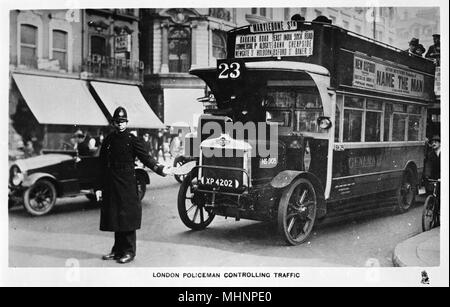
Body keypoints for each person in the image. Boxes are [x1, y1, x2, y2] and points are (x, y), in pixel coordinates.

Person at [97, 106, 172, 264]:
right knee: (116, 216)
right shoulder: (109, 140)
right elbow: (102, 165)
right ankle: (117, 250)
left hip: (127, 184)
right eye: (118, 121)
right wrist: (98, 187)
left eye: (123, 121)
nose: (120, 124)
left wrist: (160, 168)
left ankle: (129, 251)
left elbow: (146, 158)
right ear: (113, 123)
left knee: (127, 217)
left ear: (127, 122)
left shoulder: (132, 140)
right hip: (112, 183)